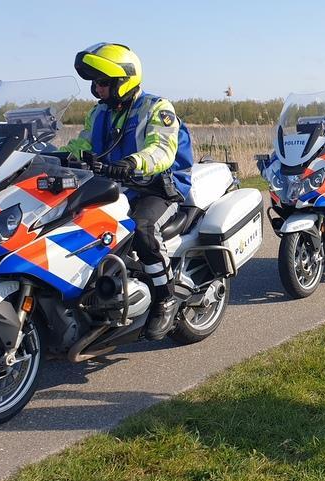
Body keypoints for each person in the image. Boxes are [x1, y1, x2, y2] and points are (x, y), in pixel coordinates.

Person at [62, 43, 194, 340]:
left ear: (125, 80)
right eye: (95, 83)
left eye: (103, 83)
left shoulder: (157, 108)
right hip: (113, 187)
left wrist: (133, 163)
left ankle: (165, 297)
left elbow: (162, 150)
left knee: (143, 227)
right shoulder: (99, 114)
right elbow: (81, 145)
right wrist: (53, 157)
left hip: (158, 187)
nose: (97, 90)